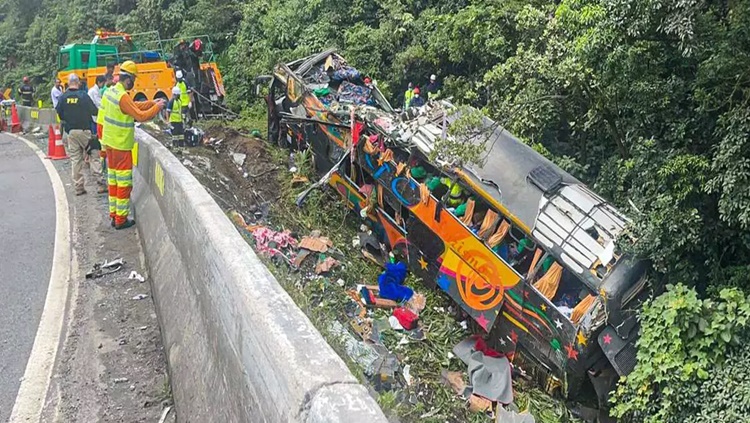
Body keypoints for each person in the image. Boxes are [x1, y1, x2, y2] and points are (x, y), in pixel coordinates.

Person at [102, 61, 165, 229]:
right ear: (128, 79)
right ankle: (121, 220)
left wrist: (152, 102)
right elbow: (140, 116)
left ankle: (114, 215)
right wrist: (157, 107)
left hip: (110, 144)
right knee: (124, 183)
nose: (134, 83)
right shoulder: (122, 96)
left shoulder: (111, 92)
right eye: (134, 80)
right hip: (121, 145)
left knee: (114, 182)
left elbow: (133, 107)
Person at [56, 73, 99, 196]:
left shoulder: (63, 97)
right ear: (78, 82)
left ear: (69, 83)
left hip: (71, 132)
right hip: (85, 130)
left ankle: (79, 187)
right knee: (94, 154)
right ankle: (100, 183)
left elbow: (60, 113)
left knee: (75, 160)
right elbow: (94, 110)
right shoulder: (84, 96)